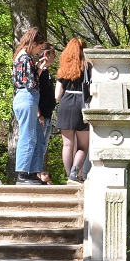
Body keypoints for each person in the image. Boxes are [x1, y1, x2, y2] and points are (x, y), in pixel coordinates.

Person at [12, 27, 49, 185]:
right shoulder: (25, 58)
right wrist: (38, 68)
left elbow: (30, 79)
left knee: (38, 137)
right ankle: (23, 173)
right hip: (27, 97)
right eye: (39, 47)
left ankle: (33, 171)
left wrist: (39, 67)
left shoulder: (22, 57)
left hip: (27, 98)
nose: (39, 51)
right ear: (33, 43)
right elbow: (31, 83)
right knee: (28, 136)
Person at [55, 38, 92, 183]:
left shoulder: (63, 71)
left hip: (65, 104)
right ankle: (74, 173)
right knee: (83, 146)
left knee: (67, 144)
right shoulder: (88, 68)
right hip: (80, 105)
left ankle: (69, 175)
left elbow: (57, 95)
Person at [34, 44, 57, 183]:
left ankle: (37, 174)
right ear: (47, 54)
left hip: (48, 115)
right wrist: (38, 113)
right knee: (38, 147)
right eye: (53, 54)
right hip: (41, 115)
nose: (55, 57)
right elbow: (35, 91)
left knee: (43, 148)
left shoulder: (47, 71)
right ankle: (34, 175)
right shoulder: (39, 71)